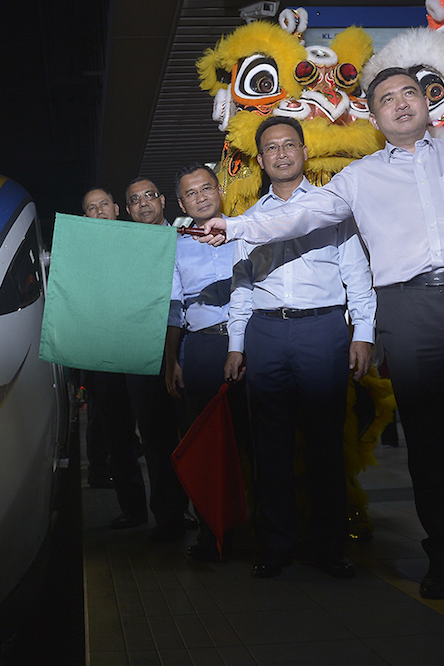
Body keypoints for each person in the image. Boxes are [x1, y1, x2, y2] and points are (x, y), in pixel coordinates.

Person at [199, 67, 444, 604]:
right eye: (387, 98)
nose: (401, 103)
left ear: (425, 101)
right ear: (373, 113)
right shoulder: (358, 177)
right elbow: (301, 214)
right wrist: (236, 226)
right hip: (405, 309)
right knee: (425, 442)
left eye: (409, 92)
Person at [223, 117, 375, 578]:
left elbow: (357, 275)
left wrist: (363, 333)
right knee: (270, 446)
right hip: (266, 334)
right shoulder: (249, 220)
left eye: (289, 144)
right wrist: (236, 344)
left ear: (305, 152)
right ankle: (276, 546)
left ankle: (328, 548)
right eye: (271, 148)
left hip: (323, 330)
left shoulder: (333, 208)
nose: (282, 153)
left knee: (326, 443)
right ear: (261, 160)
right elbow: (241, 285)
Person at [166, 163, 252, 561]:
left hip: (248, 343)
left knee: (251, 439)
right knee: (206, 443)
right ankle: (210, 532)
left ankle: (258, 529)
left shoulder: (246, 231)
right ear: (181, 203)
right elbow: (174, 308)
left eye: (206, 188)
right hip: (200, 348)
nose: (200, 197)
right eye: (191, 193)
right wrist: (173, 360)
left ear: (219, 190)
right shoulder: (176, 246)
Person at [101, 177, 191, 542]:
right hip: (142, 353)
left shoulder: (187, 239)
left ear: (163, 201)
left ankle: (202, 513)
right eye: (135, 200)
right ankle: (169, 517)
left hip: (187, 348)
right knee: (155, 439)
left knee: (192, 434)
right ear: (128, 209)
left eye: (149, 196)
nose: (143, 204)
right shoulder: (122, 251)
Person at [79, 187, 129, 490]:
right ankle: (101, 471)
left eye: (104, 204)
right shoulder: (79, 253)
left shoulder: (137, 243)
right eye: (91, 208)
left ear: (116, 209)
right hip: (99, 350)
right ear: (85, 216)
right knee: (105, 417)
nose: (99, 211)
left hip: (137, 345)